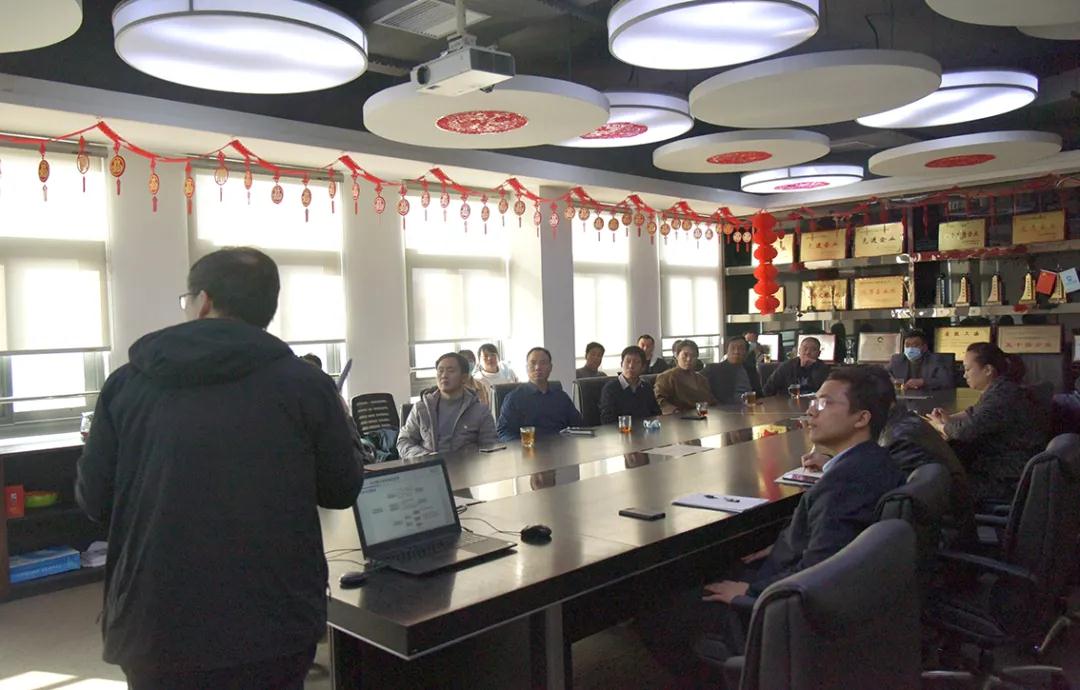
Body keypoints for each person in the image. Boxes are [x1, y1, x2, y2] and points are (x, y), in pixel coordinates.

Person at [76, 247, 366, 689]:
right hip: (274, 617)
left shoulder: (126, 383)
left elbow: (94, 501)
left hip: (155, 619)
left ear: (203, 301)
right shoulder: (306, 385)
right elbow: (342, 489)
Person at [639, 366, 904, 672]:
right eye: (814, 401)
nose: (811, 411)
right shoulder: (873, 461)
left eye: (825, 403)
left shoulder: (844, 485)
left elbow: (819, 572)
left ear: (861, 418)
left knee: (656, 608)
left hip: (778, 604)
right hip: (795, 577)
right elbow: (831, 541)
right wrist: (787, 541)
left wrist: (749, 593)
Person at [803, 367, 972, 534]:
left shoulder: (901, 441)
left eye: (825, 403)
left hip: (944, 538)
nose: (810, 412)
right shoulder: (904, 423)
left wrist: (839, 470)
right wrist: (834, 462)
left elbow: (881, 497)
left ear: (864, 414)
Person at [928, 342, 1050, 503]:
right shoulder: (1001, 388)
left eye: (968, 369)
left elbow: (966, 431)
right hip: (1008, 464)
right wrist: (948, 418)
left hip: (1005, 475)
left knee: (939, 486)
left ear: (987, 370)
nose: (964, 375)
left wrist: (940, 426)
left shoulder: (1002, 395)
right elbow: (973, 413)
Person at [397, 352, 498, 459]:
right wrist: (425, 457)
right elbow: (404, 441)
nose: (444, 375)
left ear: (464, 377)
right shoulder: (422, 408)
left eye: (451, 371)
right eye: (440, 371)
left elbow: (490, 447)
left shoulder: (480, 411)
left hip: (467, 466)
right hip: (431, 466)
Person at [496, 347, 583, 441]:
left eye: (543, 363)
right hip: (529, 448)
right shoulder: (514, 398)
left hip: (561, 446)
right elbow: (504, 432)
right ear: (526, 367)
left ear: (550, 367)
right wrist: (522, 445)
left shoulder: (561, 397)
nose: (537, 367)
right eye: (533, 363)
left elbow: (579, 425)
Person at [599, 345, 661, 424]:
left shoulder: (646, 387)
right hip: (620, 430)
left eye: (636, 362)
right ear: (621, 364)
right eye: (628, 361)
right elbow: (607, 420)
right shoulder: (610, 388)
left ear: (643, 367)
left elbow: (656, 414)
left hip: (644, 429)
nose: (631, 366)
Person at [653, 339, 717, 414]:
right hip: (678, 417)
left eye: (693, 356)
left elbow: (711, 401)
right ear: (677, 356)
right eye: (685, 355)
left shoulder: (702, 379)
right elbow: (659, 400)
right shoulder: (666, 377)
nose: (689, 359)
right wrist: (675, 411)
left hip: (703, 415)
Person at [886, 329, 954, 390]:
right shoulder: (897, 359)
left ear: (925, 347)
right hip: (903, 397)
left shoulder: (935, 360)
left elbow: (946, 381)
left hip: (929, 397)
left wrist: (923, 382)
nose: (910, 348)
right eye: (907, 345)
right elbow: (884, 374)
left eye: (915, 345)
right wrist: (893, 381)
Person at [762, 336, 829, 397]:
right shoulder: (787, 366)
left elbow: (825, 391)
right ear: (799, 351)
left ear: (819, 353)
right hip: (788, 402)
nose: (808, 352)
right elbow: (768, 389)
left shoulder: (823, 368)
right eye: (805, 349)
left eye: (813, 350)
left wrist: (816, 368)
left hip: (813, 403)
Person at [705, 336, 764, 404]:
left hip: (750, 407)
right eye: (732, 348)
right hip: (724, 408)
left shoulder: (750, 370)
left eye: (741, 349)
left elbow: (759, 395)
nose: (736, 352)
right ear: (726, 351)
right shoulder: (713, 369)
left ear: (746, 352)